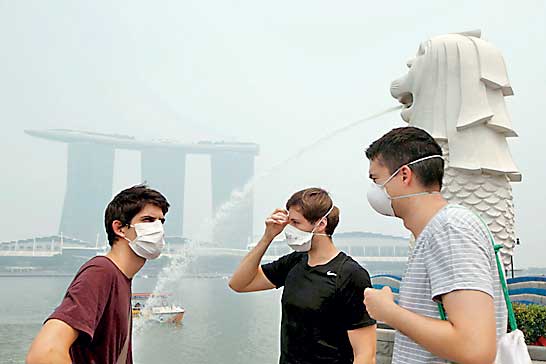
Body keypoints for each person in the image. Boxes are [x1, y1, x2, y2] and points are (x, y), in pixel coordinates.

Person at [362, 126, 507, 364]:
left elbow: (475, 348)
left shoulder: (450, 229)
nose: (374, 190)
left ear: (404, 175)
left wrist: (388, 312)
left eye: (376, 179)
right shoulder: (437, 231)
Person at [229, 187, 376, 364]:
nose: (289, 229)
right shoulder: (295, 261)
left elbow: (365, 354)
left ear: (321, 224)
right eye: (288, 222)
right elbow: (239, 284)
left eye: (296, 223)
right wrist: (268, 237)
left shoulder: (350, 275)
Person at [26, 185, 170, 364]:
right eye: (148, 220)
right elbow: (44, 354)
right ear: (119, 228)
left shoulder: (121, 279)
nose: (158, 229)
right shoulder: (101, 272)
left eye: (161, 222)